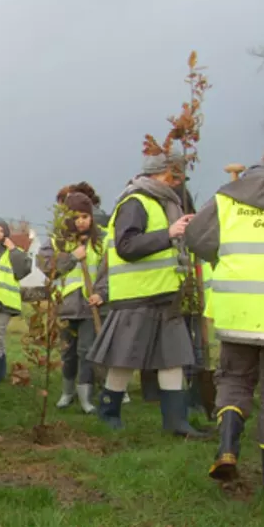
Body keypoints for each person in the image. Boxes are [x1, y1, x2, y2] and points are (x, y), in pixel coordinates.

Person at [186, 136, 264, 487]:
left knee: (233, 379)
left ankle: (227, 447)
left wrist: (226, 256)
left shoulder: (230, 194)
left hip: (235, 309)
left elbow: (196, 236)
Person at [87, 151, 209, 437]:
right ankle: (109, 413)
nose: (179, 183)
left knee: (173, 357)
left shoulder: (163, 203)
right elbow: (127, 246)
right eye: (175, 176)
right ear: (160, 174)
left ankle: (176, 422)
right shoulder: (134, 202)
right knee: (124, 359)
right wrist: (169, 233)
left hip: (165, 295)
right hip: (136, 296)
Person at [39, 184, 106, 414]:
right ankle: (67, 393)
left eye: (85, 216)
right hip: (66, 306)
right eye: (76, 217)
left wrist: (102, 293)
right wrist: (72, 258)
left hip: (91, 306)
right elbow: (48, 267)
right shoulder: (57, 242)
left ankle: (86, 396)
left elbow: (109, 272)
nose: (81, 221)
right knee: (68, 352)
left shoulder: (100, 242)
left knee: (87, 351)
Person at [0, 220, 31, 384]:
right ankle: (0, 372)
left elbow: (23, 269)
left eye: (1, 231)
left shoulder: (14, 252)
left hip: (5, 302)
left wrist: (13, 248)